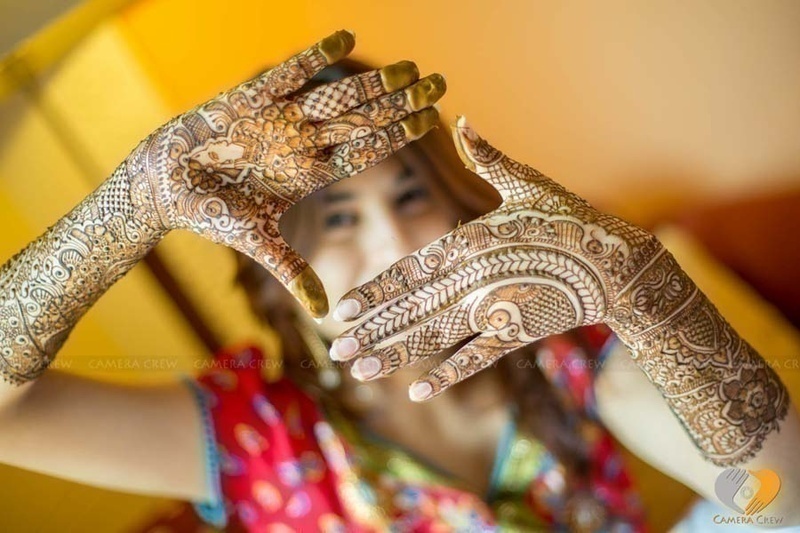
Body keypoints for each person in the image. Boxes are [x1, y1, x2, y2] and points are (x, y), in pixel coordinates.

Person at [0, 31, 797, 532]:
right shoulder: (258, 440)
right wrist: (127, 207)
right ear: (274, 276)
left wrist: (647, 290)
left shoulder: (580, 354)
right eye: (338, 218)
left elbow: (777, 497)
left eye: (412, 195)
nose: (397, 241)